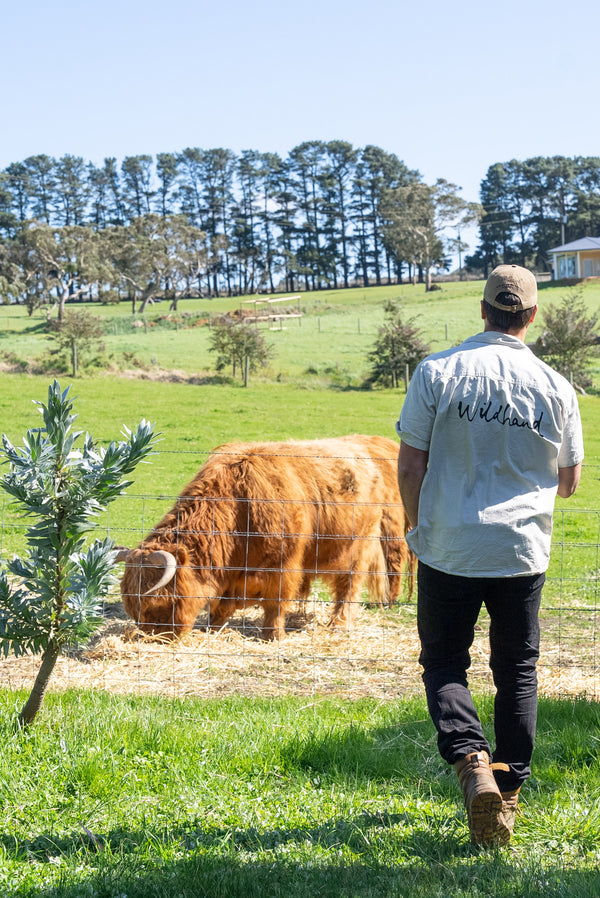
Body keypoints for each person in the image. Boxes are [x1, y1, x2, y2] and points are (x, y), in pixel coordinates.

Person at [396, 264, 584, 847]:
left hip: (449, 542)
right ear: (531, 316)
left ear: (482, 310)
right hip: (521, 549)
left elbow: (409, 465)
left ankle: (470, 762)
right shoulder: (556, 386)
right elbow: (569, 482)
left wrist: (414, 523)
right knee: (517, 669)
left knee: (447, 662)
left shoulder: (437, 371)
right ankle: (508, 789)